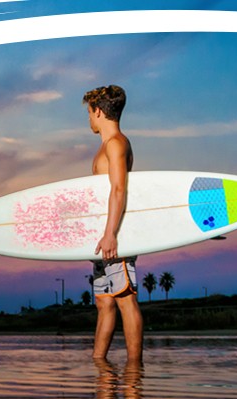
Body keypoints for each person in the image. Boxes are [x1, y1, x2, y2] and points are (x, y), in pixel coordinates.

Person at [84, 85, 142, 361]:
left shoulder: (116, 143)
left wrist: (110, 234)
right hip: (103, 236)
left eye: (89, 113)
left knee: (124, 298)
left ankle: (134, 370)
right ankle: (98, 363)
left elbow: (119, 189)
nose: (89, 119)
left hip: (115, 235)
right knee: (104, 301)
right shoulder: (106, 146)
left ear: (98, 111)